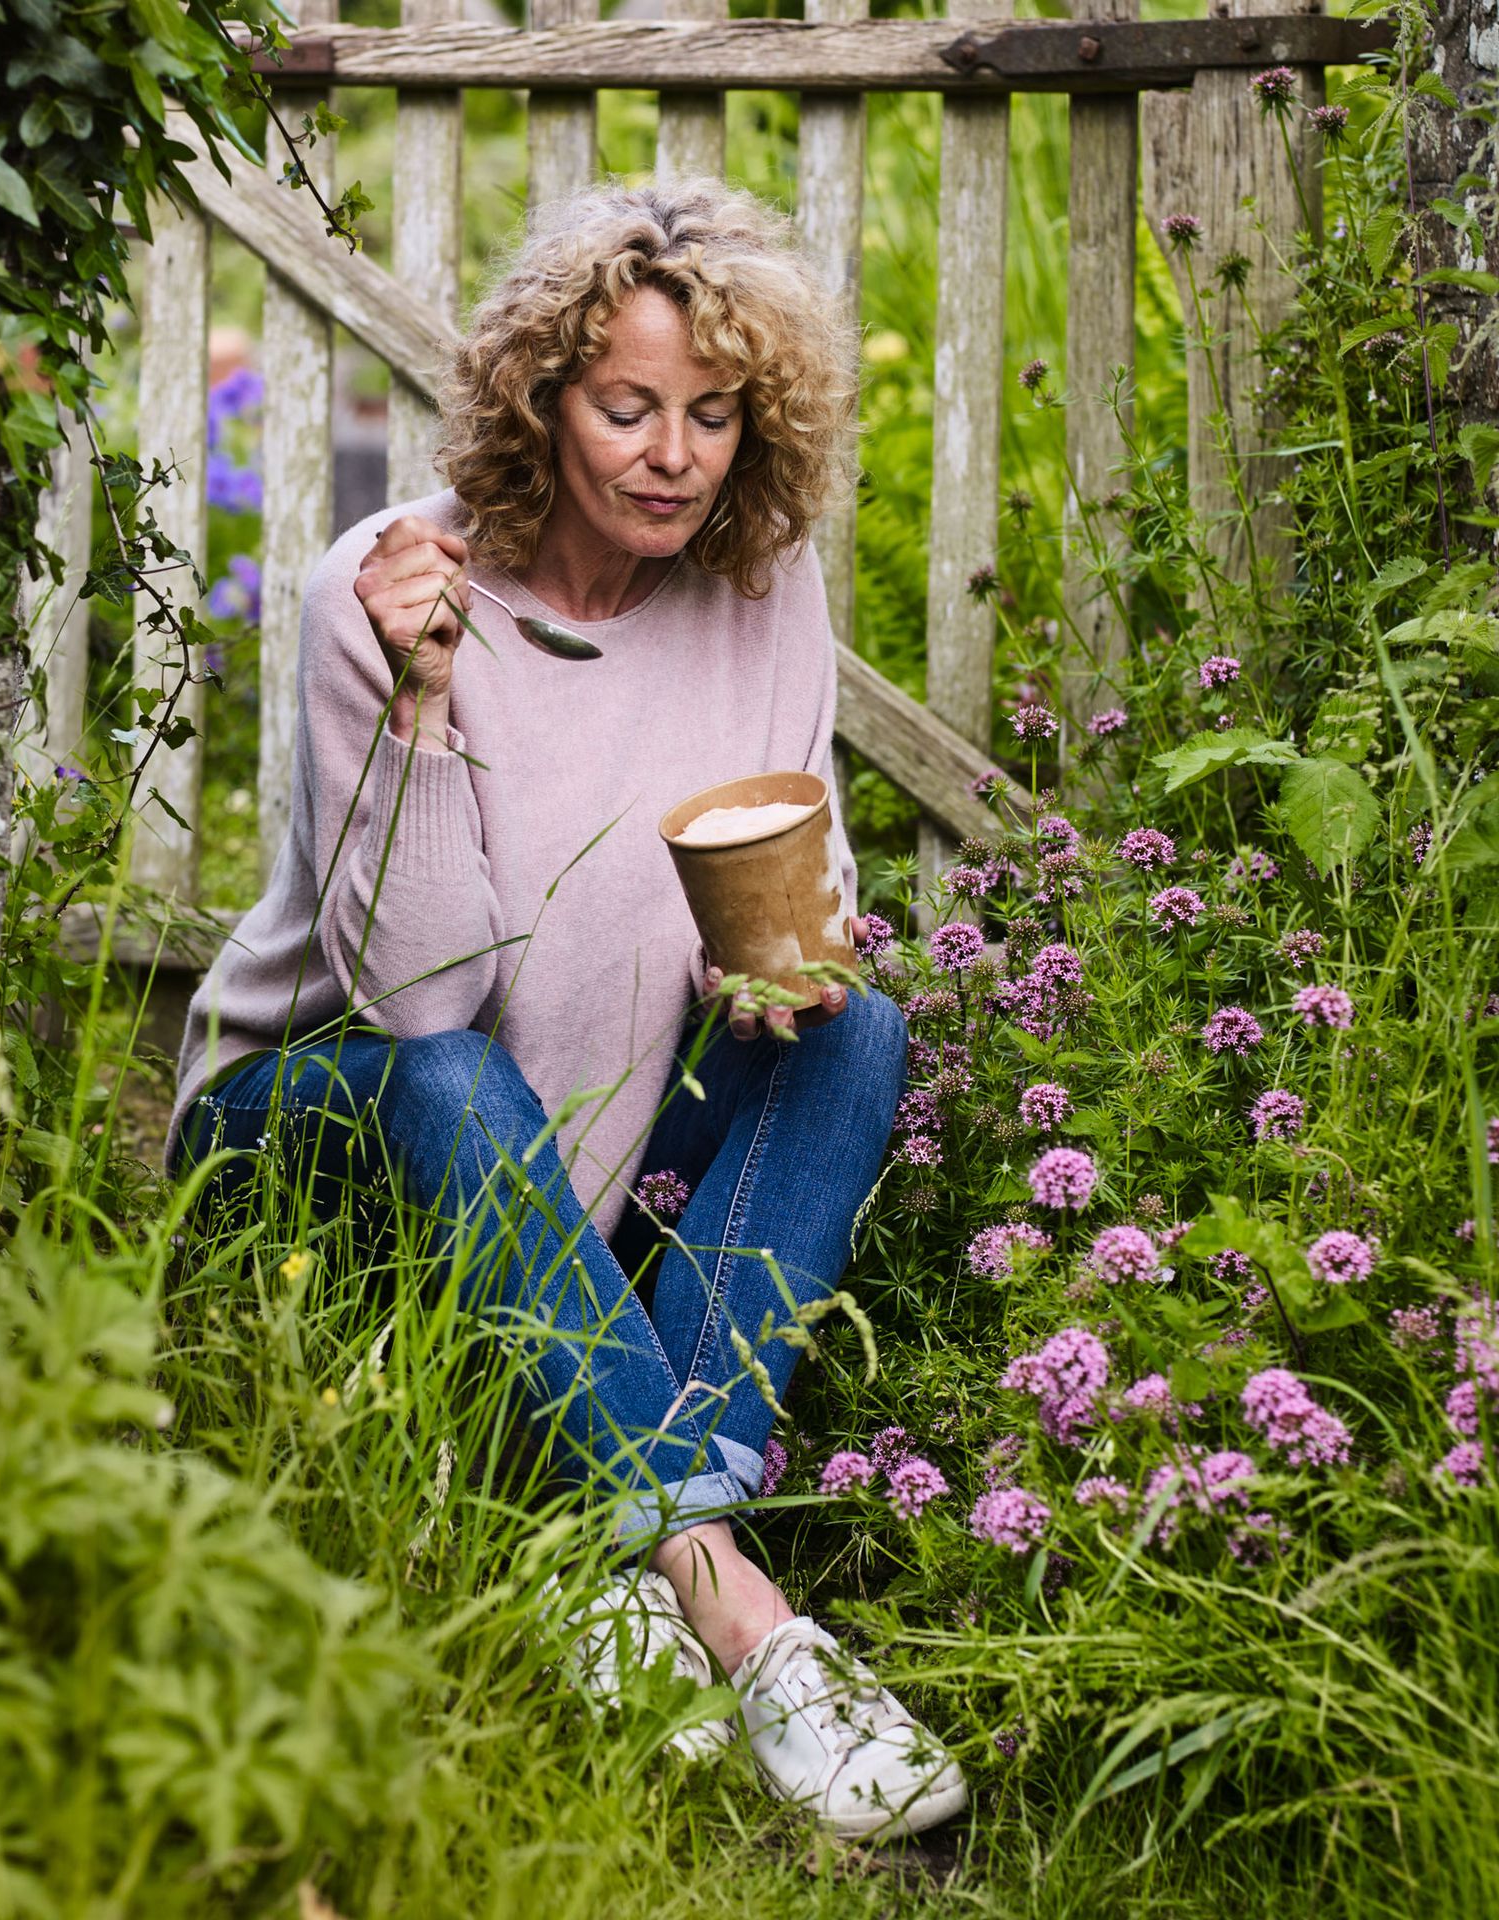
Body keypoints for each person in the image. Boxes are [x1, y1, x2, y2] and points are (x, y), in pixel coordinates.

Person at [171, 181, 967, 1840]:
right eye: (628, 408)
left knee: (863, 1034)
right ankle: (732, 1597)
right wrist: (425, 696)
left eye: (712, 412)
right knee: (455, 1077)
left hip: (573, 1188)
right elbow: (418, 995)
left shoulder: (763, 584)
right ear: (545, 403)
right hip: (326, 1141)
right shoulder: (391, 591)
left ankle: (590, 1542)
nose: (674, 454)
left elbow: (775, 898)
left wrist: (782, 977)